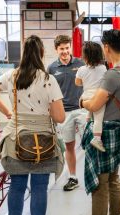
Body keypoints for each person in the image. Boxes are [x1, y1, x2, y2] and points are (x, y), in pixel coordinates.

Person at [0, 35, 65, 215]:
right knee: (39, 187)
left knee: (17, 186)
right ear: (40, 54)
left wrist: (9, 112)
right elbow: (59, 118)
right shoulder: (48, 79)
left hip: (16, 138)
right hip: (43, 141)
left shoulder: (12, 76)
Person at [69, 29, 120, 215]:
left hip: (105, 132)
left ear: (106, 47)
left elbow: (95, 104)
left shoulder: (113, 74)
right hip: (119, 129)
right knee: (113, 179)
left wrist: (82, 103)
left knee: (100, 184)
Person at [47, 35, 86, 191]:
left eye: (67, 48)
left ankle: (94, 174)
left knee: (89, 145)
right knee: (69, 146)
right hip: (64, 113)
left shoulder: (81, 64)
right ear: (56, 50)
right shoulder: (51, 68)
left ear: (71, 47)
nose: (65, 51)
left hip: (83, 109)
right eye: (61, 48)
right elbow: (49, 91)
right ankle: (73, 177)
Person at [75, 41, 107, 152]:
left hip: (86, 95)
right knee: (99, 118)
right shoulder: (103, 68)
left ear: (85, 56)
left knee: (90, 113)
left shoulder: (81, 69)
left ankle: (88, 124)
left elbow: (77, 83)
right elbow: (105, 82)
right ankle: (97, 138)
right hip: (98, 95)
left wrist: (85, 80)